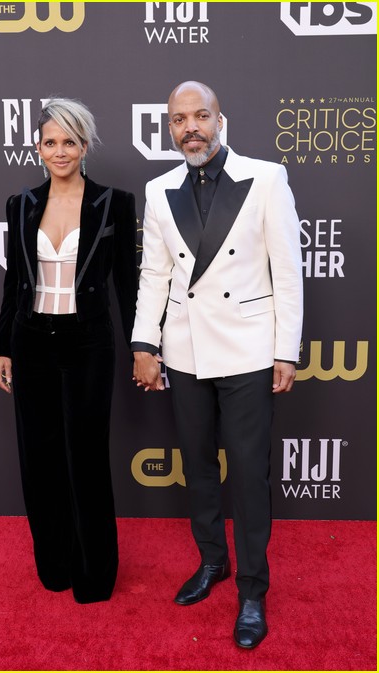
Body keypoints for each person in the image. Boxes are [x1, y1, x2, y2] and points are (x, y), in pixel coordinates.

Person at [131, 81, 303, 648]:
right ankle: (213, 562)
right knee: (199, 467)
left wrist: (286, 349)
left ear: (220, 119)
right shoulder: (159, 190)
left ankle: (252, 590)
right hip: (185, 349)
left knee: (249, 475)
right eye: (180, 120)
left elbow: (288, 270)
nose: (191, 127)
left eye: (200, 115)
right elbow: (155, 275)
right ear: (171, 128)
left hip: (250, 348)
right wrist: (144, 344)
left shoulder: (266, 178)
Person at [0, 97, 138, 604]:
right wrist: (2, 347)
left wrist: (142, 347)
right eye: (50, 142)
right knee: (40, 459)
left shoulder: (114, 203)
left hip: (88, 343)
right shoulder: (22, 204)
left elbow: (128, 284)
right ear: (37, 147)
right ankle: (54, 564)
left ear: (85, 145)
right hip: (31, 341)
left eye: (69, 141)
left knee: (86, 459)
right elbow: (15, 281)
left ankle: (95, 574)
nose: (60, 151)